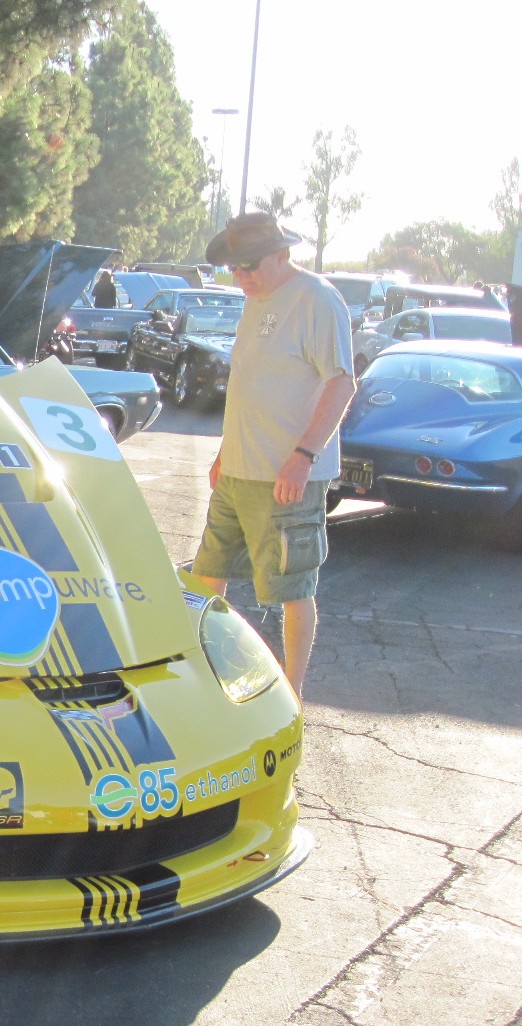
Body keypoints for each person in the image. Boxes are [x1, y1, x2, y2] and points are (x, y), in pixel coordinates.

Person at [192, 211, 355, 699]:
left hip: (288, 477)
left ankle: (292, 695)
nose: (240, 276)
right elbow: (250, 385)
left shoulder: (316, 299)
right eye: (232, 268)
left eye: (248, 265)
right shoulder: (253, 300)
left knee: (292, 589)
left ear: (283, 254)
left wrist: (303, 455)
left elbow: (342, 383)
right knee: (206, 576)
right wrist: (226, 451)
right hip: (238, 471)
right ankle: (202, 681)